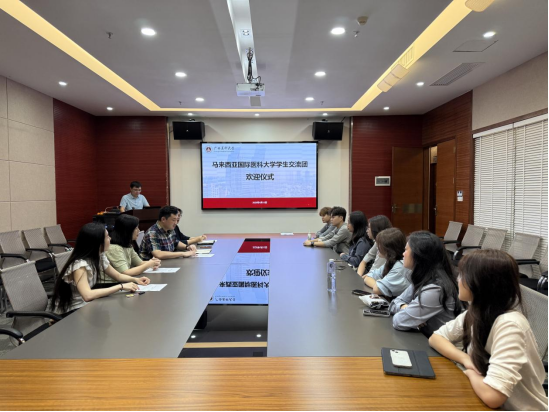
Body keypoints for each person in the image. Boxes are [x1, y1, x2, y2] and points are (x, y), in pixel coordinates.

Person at [429, 250, 548, 411]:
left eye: (463, 275)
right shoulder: (476, 313)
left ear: (481, 283)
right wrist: (465, 359)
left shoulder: (510, 326)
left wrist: (471, 373)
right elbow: (436, 338)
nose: (457, 279)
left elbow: (493, 397)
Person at [50, 223, 150, 315]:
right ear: (98, 242)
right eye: (107, 236)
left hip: (85, 306)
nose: (110, 238)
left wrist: (136, 280)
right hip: (71, 311)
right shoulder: (80, 265)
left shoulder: (99, 256)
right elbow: (87, 295)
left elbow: (118, 275)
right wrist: (120, 286)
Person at [390, 231, 462, 337]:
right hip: (426, 338)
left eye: (406, 250)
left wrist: (409, 314)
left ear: (418, 255)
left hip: (440, 345)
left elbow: (399, 321)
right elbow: (394, 303)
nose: (403, 254)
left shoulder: (436, 289)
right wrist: (405, 307)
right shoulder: (424, 278)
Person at [105, 214, 162, 280]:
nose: (139, 230)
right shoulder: (114, 248)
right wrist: (149, 264)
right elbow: (126, 273)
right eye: (136, 228)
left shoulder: (127, 245)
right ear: (127, 230)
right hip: (111, 284)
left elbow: (139, 263)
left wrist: (154, 263)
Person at [362, 228, 409, 298]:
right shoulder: (391, 261)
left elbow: (377, 289)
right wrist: (379, 283)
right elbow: (368, 276)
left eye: (380, 245)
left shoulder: (400, 266)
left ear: (389, 249)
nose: (377, 248)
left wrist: (378, 285)